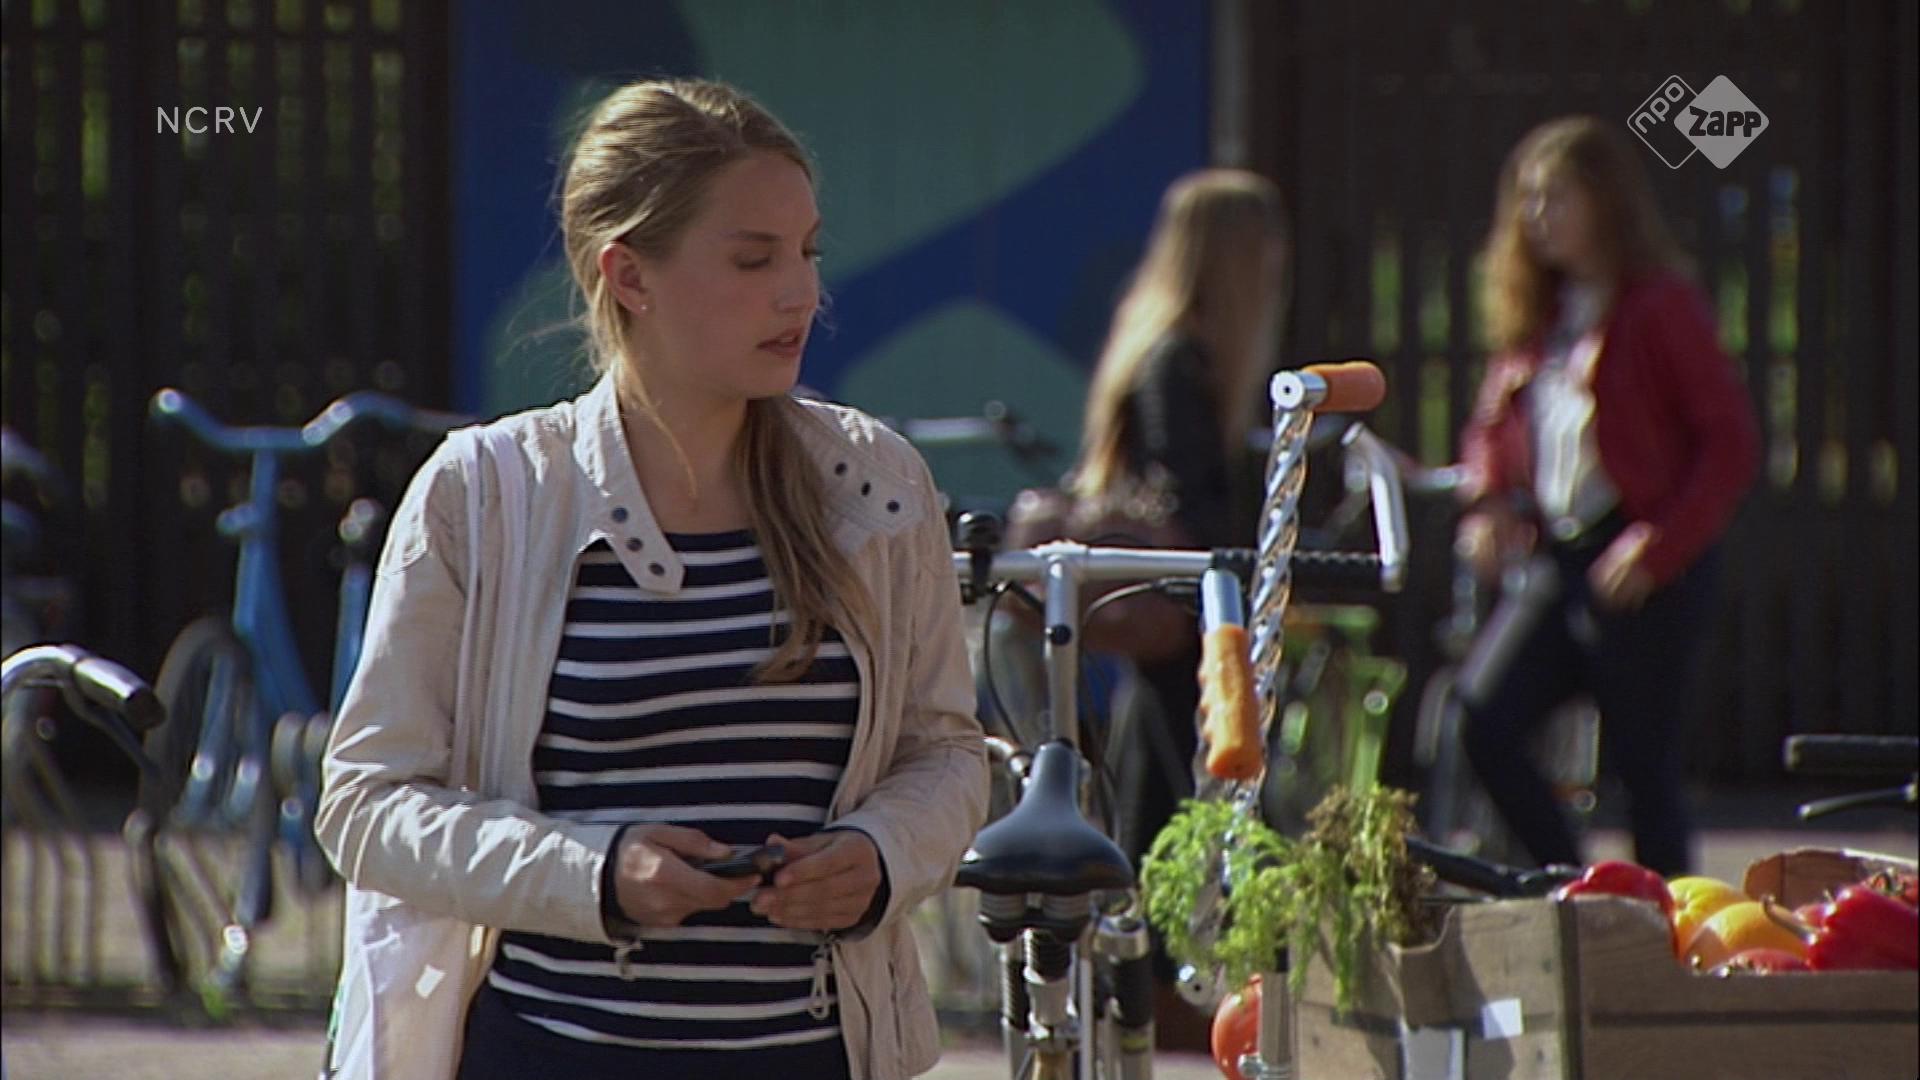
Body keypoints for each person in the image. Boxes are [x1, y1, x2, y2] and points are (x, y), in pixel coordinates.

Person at [314, 78, 987, 1080]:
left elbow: (948, 754)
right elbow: (366, 804)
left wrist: (881, 854)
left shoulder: (874, 482)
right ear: (629, 275)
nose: (801, 293)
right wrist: (594, 872)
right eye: (754, 258)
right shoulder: (487, 493)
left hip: (811, 1056)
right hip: (550, 1057)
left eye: (808, 252)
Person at [1455, 116, 1759, 877]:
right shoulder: (1540, 316)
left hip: (1647, 561)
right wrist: (1487, 501)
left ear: (1605, 201)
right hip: (1561, 557)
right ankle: (1579, 888)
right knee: (1482, 717)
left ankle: (1673, 926)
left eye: (1556, 197)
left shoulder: (1660, 305)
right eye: (1529, 199)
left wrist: (1658, 546)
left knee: (1644, 769)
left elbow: (1730, 443)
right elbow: (1492, 424)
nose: (1538, 215)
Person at [1054, 168, 1288, 1045]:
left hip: (1160, 608)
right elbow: (1196, 506)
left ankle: (1141, 995)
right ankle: (1185, 994)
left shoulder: (1154, 346)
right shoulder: (1180, 362)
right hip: (1185, 610)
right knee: (1206, 796)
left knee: (1157, 799)